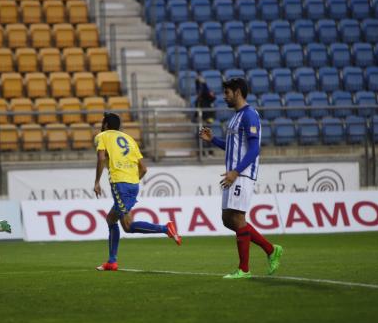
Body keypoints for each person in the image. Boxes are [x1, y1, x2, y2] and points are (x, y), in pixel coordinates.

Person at [198, 78, 283, 279]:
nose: (224, 96)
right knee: (228, 219)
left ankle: (244, 269)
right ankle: (271, 250)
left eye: (227, 92)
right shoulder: (236, 117)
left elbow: (254, 149)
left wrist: (236, 171)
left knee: (236, 218)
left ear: (237, 92)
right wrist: (213, 140)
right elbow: (234, 148)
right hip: (234, 173)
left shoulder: (249, 116)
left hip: (242, 174)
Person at [93, 112, 182, 271]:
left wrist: (97, 182)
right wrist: (132, 182)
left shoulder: (102, 136)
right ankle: (112, 262)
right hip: (133, 184)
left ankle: (166, 228)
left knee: (126, 224)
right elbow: (144, 169)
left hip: (119, 184)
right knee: (114, 221)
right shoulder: (129, 139)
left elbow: (100, 158)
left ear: (106, 125)